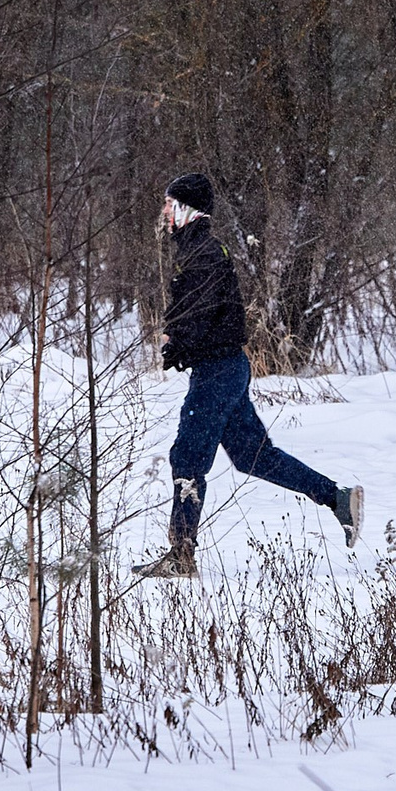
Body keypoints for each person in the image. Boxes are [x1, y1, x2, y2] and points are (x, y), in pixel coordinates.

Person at [132, 174, 363, 579]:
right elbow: (201, 308)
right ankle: (338, 499)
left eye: (170, 204)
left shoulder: (202, 252)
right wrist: (179, 339)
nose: (165, 211)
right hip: (226, 368)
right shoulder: (199, 249)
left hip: (218, 372)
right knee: (254, 457)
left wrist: (177, 341)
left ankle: (181, 554)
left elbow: (199, 311)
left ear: (187, 209)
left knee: (187, 458)